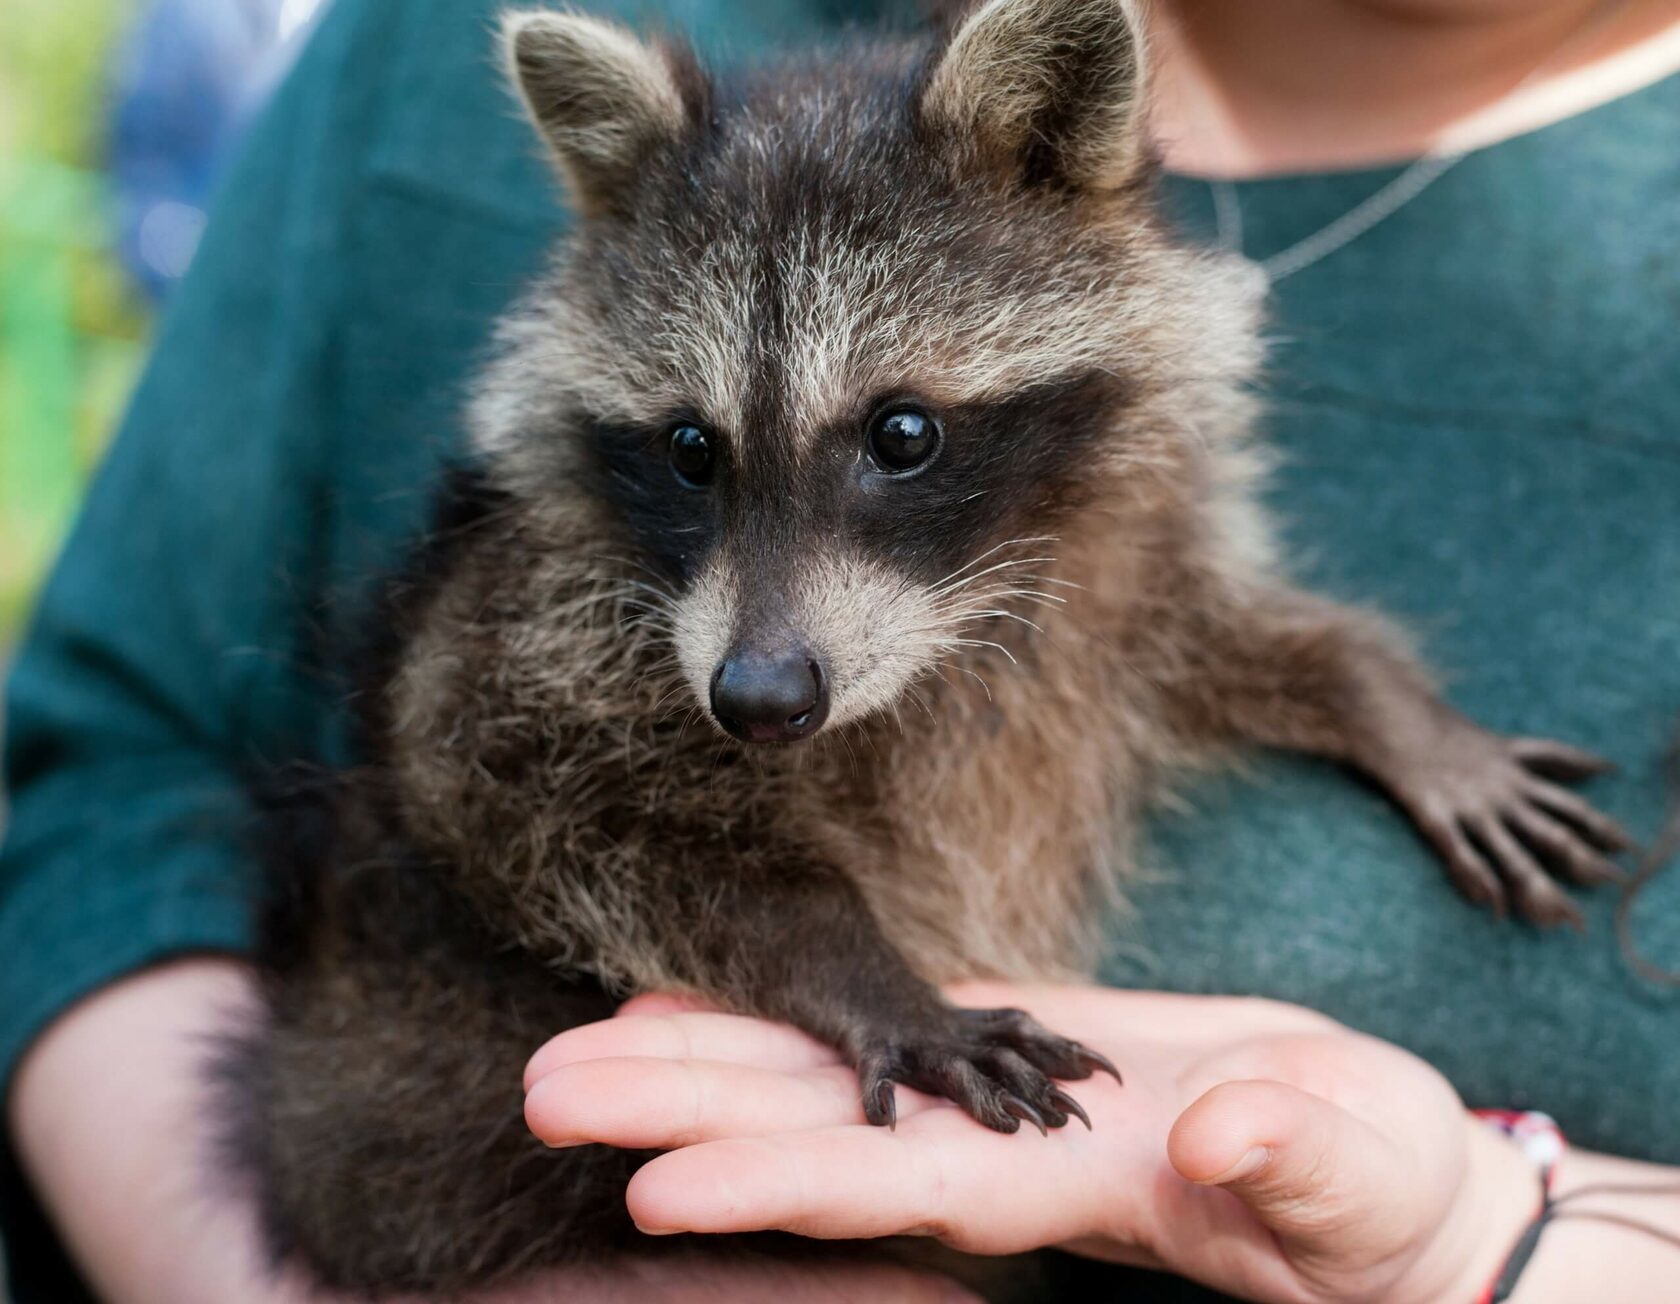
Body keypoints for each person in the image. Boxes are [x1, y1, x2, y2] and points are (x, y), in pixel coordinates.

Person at [3, 0, 1677, 1300]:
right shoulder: (443, 71)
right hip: (499, 1185)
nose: (759, 656)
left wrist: (1500, 1238)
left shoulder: (1098, 373)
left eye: (897, 441)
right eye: (693, 464)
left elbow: (1208, 639)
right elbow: (127, 770)